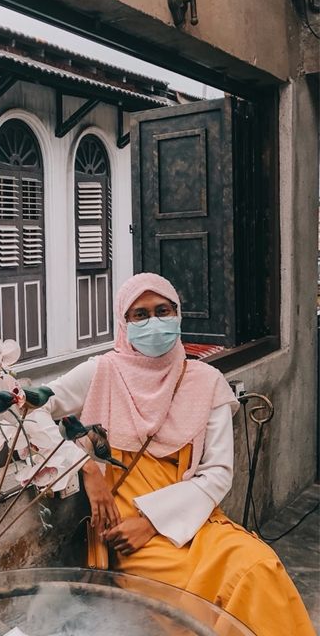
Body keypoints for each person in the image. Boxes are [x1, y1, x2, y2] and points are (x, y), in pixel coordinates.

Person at [32, 272, 315, 636]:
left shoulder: (204, 382)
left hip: (192, 521)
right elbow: (26, 407)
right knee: (195, 600)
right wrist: (84, 467)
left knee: (258, 567)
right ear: (124, 322)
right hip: (126, 533)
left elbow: (216, 473)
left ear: (178, 315)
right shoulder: (100, 373)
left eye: (163, 310)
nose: (154, 322)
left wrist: (152, 523)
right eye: (140, 314)